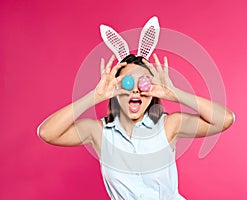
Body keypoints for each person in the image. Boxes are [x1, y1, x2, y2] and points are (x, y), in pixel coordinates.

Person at [37, 52, 235, 199]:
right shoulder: (99, 132)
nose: (136, 91)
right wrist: (94, 97)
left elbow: (224, 119)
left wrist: (174, 94)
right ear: (116, 90)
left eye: (143, 83)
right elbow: (47, 132)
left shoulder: (168, 125)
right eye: (127, 83)